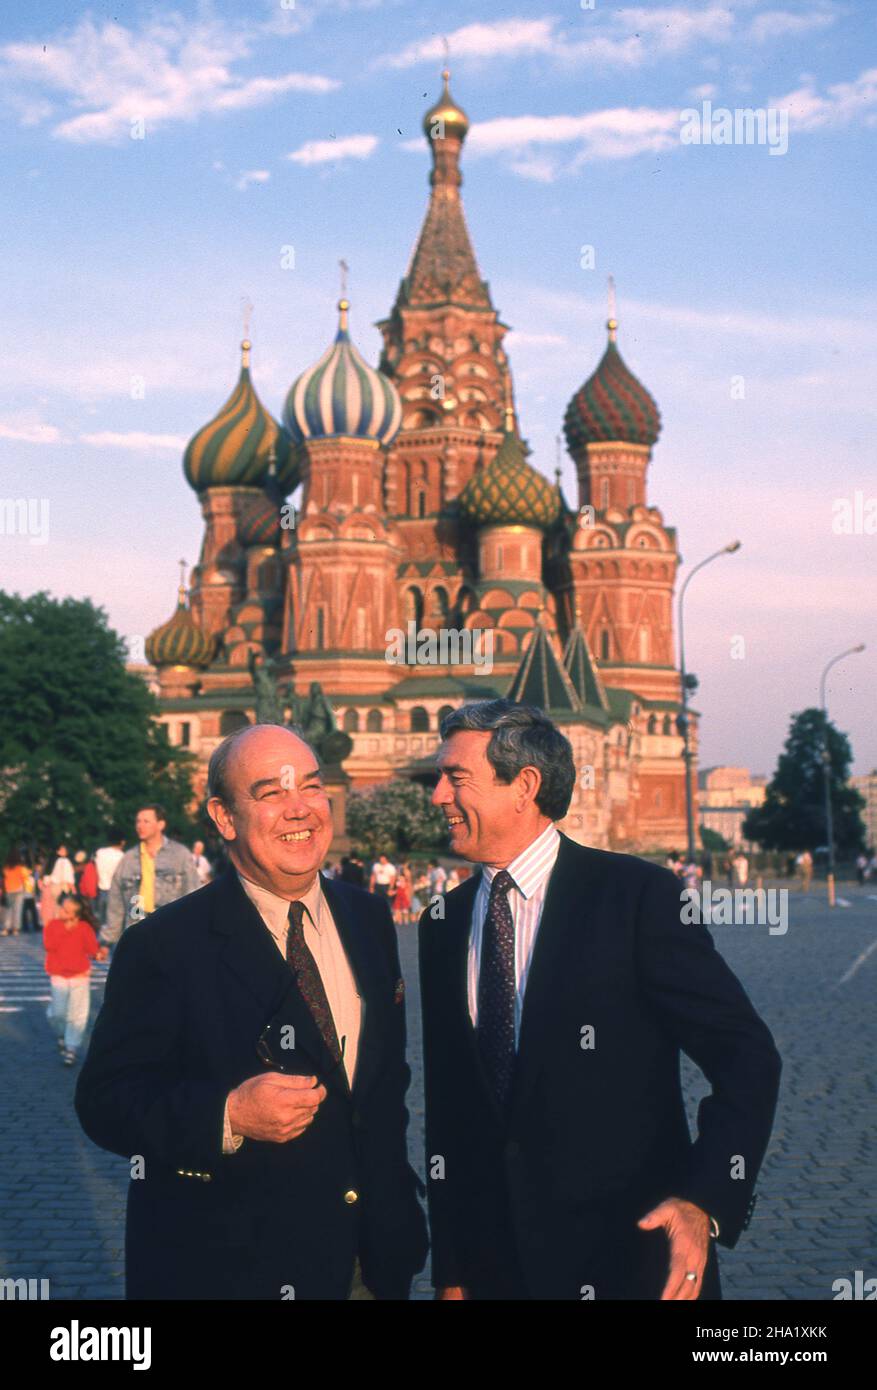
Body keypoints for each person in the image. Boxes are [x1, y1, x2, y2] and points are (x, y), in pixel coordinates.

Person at [419, 699, 781, 1301]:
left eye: (455, 778)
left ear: (524, 786)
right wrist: (452, 1273)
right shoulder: (443, 923)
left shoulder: (638, 897)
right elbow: (450, 1113)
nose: (437, 795)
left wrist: (702, 1202)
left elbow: (747, 1058)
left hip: (631, 1262)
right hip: (494, 1269)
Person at [76, 723, 428, 1300]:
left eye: (311, 788)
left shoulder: (367, 918)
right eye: (271, 794)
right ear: (223, 817)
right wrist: (229, 1116)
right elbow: (104, 1102)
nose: (301, 811)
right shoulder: (164, 944)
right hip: (233, 1267)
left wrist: (398, 1220)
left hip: (370, 1265)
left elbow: (385, 1087)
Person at [103, 805, 200, 944]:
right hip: (137, 927)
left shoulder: (180, 855)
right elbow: (115, 903)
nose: (140, 826)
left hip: (170, 928)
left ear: (161, 824)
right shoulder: (128, 859)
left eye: (146, 821)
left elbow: (194, 894)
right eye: (138, 821)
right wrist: (108, 940)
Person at [43, 894, 108, 1066]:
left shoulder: (84, 927)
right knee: (58, 1013)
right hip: (58, 975)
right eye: (62, 907)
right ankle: (62, 1034)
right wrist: (66, 929)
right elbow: (49, 946)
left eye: (65, 910)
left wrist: (100, 953)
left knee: (77, 1015)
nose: (60, 911)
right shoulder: (53, 925)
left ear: (74, 915)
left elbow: (92, 949)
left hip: (80, 976)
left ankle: (71, 1048)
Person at [95, 833, 125, 927]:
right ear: (122, 842)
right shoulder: (122, 856)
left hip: (102, 890)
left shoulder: (100, 852)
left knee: (103, 922)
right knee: (115, 923)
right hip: (116, 893)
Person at [2, 849, 27, 936]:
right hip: (19, 889)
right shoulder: (20, 867)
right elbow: (24, 877)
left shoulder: (6, 867)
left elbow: (5, 877)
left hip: (9, 889)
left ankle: (6, 929)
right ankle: (16, 929)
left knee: (9, 910)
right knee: (17, 910)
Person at [392, 861, 413, 926]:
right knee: (398, 910)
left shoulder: (407, 884)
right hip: (398, 899)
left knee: (405, 911)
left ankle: (406, 921)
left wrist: (409, 898)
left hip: (404, 898)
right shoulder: (398, 883)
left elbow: (408, 892)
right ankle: (400, 921)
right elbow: (396, 889)